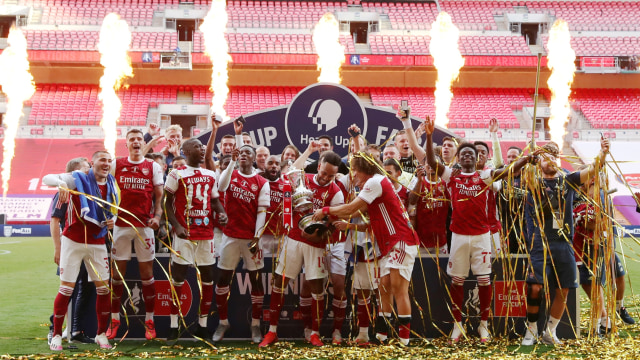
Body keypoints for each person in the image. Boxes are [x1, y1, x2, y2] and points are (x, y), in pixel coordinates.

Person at [423, 116, 533, 344]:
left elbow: (510, 171)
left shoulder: (484, 176)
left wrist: (527, 159)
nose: (466, 157)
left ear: (477, 159)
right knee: (457, 281)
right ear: (458, 159)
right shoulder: (451, 176)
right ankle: (457, 325)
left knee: (484, 280)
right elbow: (432, 163)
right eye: (463, 154)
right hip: (459, 236)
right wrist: (429, 135)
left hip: (482, 236)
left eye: (471, 155)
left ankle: (484, 325)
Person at [311, 152, 419, 346]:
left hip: (401, 239)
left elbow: (350, 209)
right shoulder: (377, 183)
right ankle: (382, 336)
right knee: (384, 286)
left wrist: (325, 210)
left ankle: (404, 341)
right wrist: (351, 227)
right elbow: (371, 224)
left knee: (398, 288)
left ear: (364, 170)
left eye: (355, 170)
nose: (354, 175)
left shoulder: (375, 182)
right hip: (389, 242)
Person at [521, 138, 609, 346]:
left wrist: (603, 153)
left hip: (563, 243)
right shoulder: (532, 182)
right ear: (538, 163)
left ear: (558, 161)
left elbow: (594, 169)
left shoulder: (567, 181)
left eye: (553, 157)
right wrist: (529, 159)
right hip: (539, 244)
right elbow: (515, 171)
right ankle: (531, 330)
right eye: (545, 157)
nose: (549, 160)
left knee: (564, 289)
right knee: (535, 288)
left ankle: (550, 331)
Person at [260, 146, 344, 348]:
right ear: (319, 165)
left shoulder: (336, 191)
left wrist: (318, 235)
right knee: (279, 283)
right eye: (323, 173)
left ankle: (314, 333)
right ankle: (272, 332)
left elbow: (334, 224)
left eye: (330, 176)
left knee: (317, 288)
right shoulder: (302, 178)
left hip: (316, 244)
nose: (325, 178)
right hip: (293, 238)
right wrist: (308, 151)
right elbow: (287, 174)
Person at [42, 150, 120, 351]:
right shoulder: (77, 179)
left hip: (98, 242)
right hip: (73, 241)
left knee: (103, 290)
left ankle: (101, 335)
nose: (107, 163)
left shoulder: (112, 184)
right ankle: (57, 335)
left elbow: (114, 210)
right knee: (66, 289)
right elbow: (47, 178)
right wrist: (60, 184)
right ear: (92, 163)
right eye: (102, 160)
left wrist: (114, 221)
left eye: (109, 161)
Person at [164, 138, 228, 344]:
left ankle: (202, 325)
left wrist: (222, 213)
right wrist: (177, 226)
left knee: (208, 277)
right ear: (185, 151)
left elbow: (215, 200)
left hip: (206, 233)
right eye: (197, 147)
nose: (202, 150)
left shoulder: (211, 174)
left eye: (202, 147)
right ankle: (174, 326)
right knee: (178, 277)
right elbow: (166, 203)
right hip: (185, 234)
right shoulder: (176, 173)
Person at [212, 119, 270, 344]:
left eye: (248, 152)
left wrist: (257, 237)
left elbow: (262, 213)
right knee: (223, 280)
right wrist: (231, 161)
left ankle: (255, 325)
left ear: (254, 158)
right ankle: (223, 322)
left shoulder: (261, 181)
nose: (243, 154)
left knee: (256, 282)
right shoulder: (229, 173)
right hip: (229, 236)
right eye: (241, 152)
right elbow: (222, 186)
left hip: (251, 239)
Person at [105, 129, 164, 341]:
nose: (136, 142)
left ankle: (150, 321)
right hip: (120, 226)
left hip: (144, 226)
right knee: (116, 276)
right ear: (127, 144)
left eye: (139, 139)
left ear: (143, 143)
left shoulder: (153, 166)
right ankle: (114, 320)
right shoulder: (116, 164)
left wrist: (157, 217)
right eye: (132, 139)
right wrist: (108, 214)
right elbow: (104, 192)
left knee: (147, 275)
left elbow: (159, 197)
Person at [47, 157, 94, 346]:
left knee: (87, 287)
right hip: (70, 246)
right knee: (69, 289)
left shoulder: (88, 189)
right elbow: (55, 220)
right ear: (74, 172)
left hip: (88, 246)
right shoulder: (64, 190)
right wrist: (58, 249)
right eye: (86, 167)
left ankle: (76, 329)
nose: (89, 170)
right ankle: (55, 328)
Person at [408, 161, 449, 255]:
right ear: (424, 166)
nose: (431, 165)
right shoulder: (416, 181)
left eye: (434, 162)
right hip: (421, 242)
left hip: (441, 242)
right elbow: (411, 201)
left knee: (441, 269)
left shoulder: (446, 183)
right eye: (428, 162)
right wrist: (419, 181)